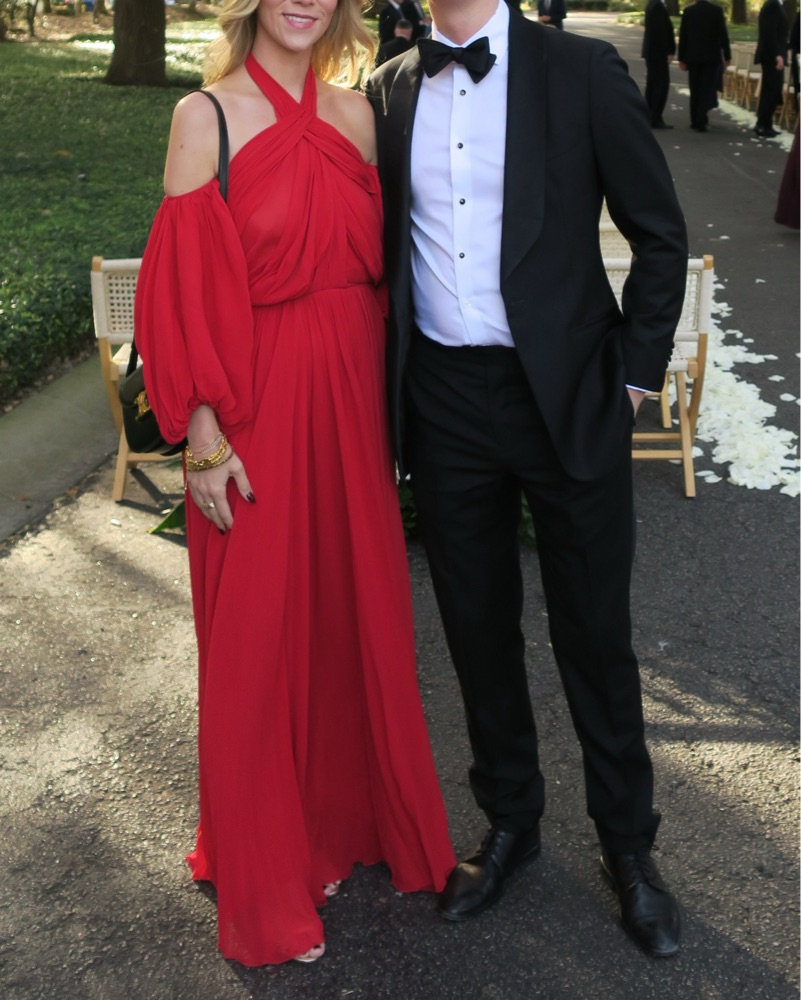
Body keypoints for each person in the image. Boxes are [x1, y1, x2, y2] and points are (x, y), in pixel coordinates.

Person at [133, 0, 455, 967]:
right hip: (253, 409)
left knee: (348, 617)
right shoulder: (203, 117)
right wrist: (201, 435)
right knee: (255, 641)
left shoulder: (360, 116)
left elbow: (394, 276)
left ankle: (340, 828)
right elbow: (180, 289)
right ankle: (265, 877)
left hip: (350, 404)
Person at [367, 0, 687, 959]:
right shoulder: (386, 91)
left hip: (569, 395)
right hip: (443, 400)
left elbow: (658, 233)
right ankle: (511, 821)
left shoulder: (580, 71)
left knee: (594, 631)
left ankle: (628, 846)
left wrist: (631, 380)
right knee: (475, 628)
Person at [678, 0, 731, 132]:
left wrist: (681, 58)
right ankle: (701, 119)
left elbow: (684, 35)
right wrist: (727, 55)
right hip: (710, 56)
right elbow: (723, 35)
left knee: (695, 88)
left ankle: (694, 119)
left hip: (693, 56)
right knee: (706, 89)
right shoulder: (716, 11)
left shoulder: (689, 11)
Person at [753, 0, 789, 138]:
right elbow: (770, 34)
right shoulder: (773, 6)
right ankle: (762, 124)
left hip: (773, 55)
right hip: (771, 56)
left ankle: (766, 124)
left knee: (772, 91)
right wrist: (777, 55)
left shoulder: (774, 5)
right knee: (771, 90)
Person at [642, 0, 676, 128]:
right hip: (657, 52)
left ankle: (649, 115)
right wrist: (668, 51)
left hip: (652, 52)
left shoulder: (653, 4)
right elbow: (661, 32)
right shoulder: (657, 6)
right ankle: (655, 118)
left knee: (652, 84)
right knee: (661, 85)